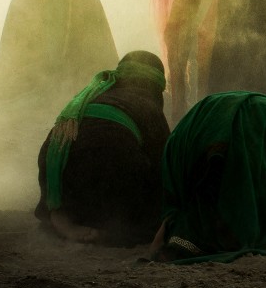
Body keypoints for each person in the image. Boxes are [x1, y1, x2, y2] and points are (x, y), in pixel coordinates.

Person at [151, 91, 266, 263]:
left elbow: (187, 213)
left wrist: (168, 232)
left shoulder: (177, 157)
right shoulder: (186, 137)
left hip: (247, 124)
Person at [35, 51, 169, 245]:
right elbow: (163, 165)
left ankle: (61, 215)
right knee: (158, 212)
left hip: (64, 174)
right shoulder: (148, 104)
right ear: (156, 85)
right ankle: (107, 233)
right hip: (112, 168)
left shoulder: (93, 96)